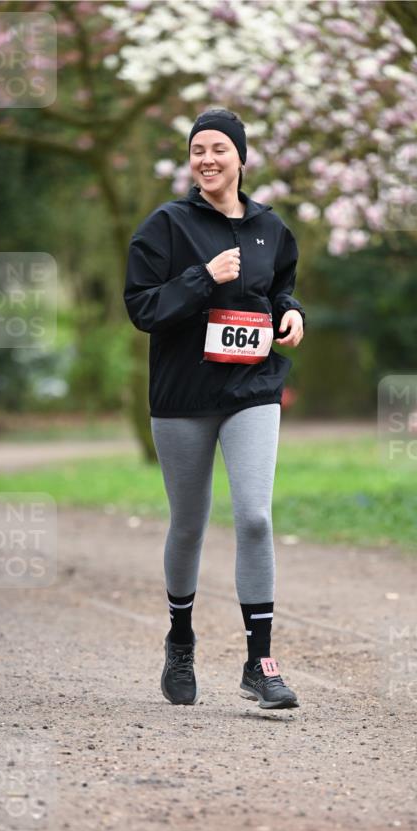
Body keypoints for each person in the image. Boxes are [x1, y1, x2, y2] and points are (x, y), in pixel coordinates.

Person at [124, 108, 305, 710]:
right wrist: (201, 278)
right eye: (197, 148)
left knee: (254, 516)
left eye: (219, 148)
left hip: (251, 388)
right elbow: (142, 308)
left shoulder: (270, 228)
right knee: (190, 523)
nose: (207, 158)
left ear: (241, 159)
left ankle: (260, 661)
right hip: (182, 396)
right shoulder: (166, 226)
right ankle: (180, 640)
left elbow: (278, 284)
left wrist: (291, 311)